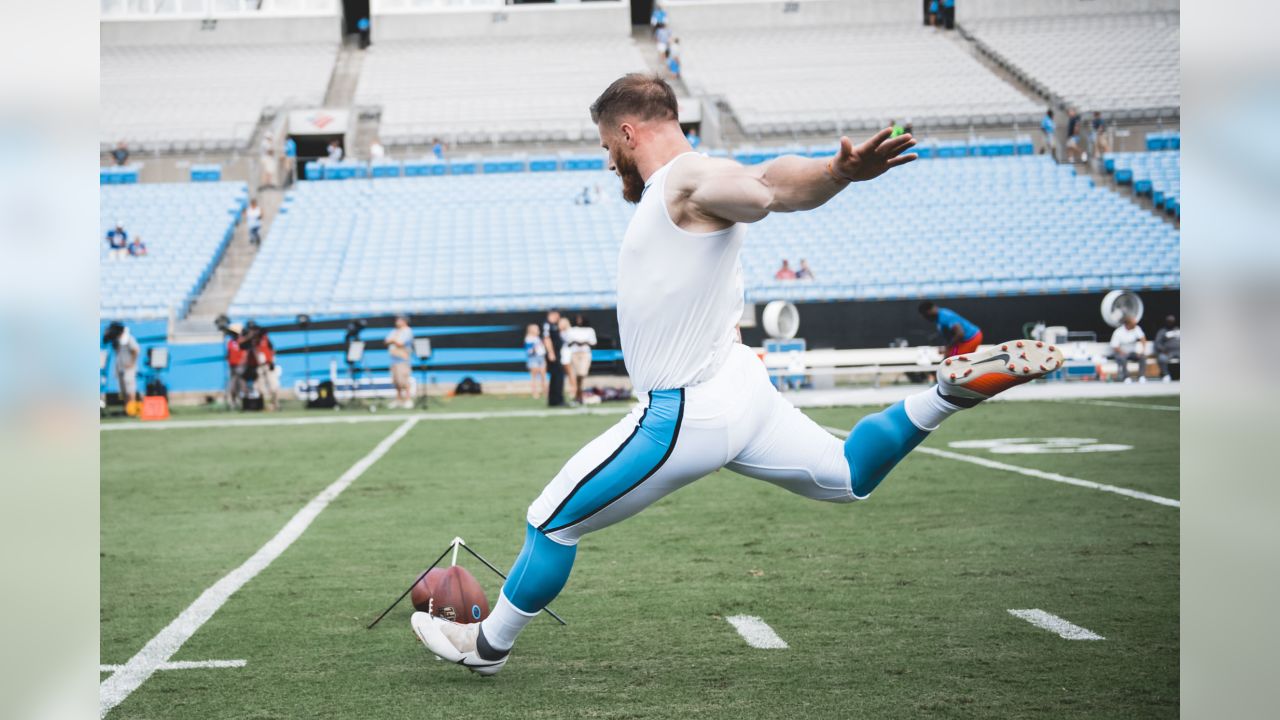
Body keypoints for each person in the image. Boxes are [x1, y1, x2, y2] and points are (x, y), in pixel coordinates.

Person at [410, 74, 1064, 675]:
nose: (608, 158)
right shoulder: (692, 178)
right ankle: (946, 395)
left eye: (607, 144)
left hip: (688, 409)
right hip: (741, 390)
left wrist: (832, 174)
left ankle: (487, 648)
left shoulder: (683, 177)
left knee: (551, 521)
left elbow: (764, 188)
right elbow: (759, 179)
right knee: (846, 477)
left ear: (628, 131)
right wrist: (818, 177)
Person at [918, 301, 983, 357]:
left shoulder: (945, 316)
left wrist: (947, 348)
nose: (925, 318)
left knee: (955, 361)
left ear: (929, 311)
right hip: (964, 340)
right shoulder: (939, 316)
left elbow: (960, 333)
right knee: (949, 357)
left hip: (972, 338)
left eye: (925, 315)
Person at [107, 322, 140, 407]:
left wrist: (132, 363)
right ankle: (127, 407)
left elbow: (135, 350)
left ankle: (132, 408)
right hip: (120, 367)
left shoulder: (129, 338)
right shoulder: (117, 340)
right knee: (123, 389)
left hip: (129, 368)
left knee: (130, 389)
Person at [386, 315, 415, 409]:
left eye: (399, 320)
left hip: (402, 359)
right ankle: (398, 399)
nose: (397, 322)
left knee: (404, 380)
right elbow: (386, 341)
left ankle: (407, 399)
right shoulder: (394, 331)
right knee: (396, 381)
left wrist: (393, 340)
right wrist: (393, 340)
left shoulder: (407, 331)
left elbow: (400, 343)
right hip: (394, 358)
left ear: (404, 321)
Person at [1110, 315, 1148, 383]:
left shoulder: (1136, 328)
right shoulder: (1118, 332)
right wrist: (1122, 352)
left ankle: (1141, 376)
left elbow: (1143, 338)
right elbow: (1115, 346)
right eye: (1133, 324)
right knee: (1122, 358)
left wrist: (1142, 350)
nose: (1135, 325)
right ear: (1128, 324)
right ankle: (1126, 377)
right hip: (1120, 353)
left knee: (1143, 357)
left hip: (1132, 353)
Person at [569, 315, 597, 404]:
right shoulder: (572, 330)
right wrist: (575, 342)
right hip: (575, 353)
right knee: (577, 374)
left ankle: (579, 392)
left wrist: (584, 342)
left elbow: (593, 342)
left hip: (585, 353)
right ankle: (579, 394)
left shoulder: (590, 330)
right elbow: (568, 342)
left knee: (582, 373)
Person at [253, 324, 280, 411]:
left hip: (268, 364)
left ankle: (275, 404)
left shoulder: (265, 339)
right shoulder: (253, 341)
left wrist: (272, 360)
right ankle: (265, 405)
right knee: (260, 387)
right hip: (259, 366)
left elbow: (272, 349)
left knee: (274, 385)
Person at [543, 310, 565, 407]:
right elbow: (546, 339)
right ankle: (556, 400)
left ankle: (555, 400)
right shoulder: (547, 325)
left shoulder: (554, 325)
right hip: (553, 355)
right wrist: (551, 353)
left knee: (557, 376)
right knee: (557, 376)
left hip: (557, 354)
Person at [225, 323, 247, 410]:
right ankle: (233, 403)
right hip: (232, 367)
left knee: (242, 385)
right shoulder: (230, 342)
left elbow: (245, 354)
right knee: (232, 386)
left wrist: (242, 364)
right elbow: (229, 354)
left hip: (240, 367)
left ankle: (244, 404)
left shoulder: (242, 341)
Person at [524, 323, 547, 399]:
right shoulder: (529, 339)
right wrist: (534, 347)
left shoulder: (538, 338)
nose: (538, 330)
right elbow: (529, 351)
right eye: (536, 329)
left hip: (541, 357)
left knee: (543, 376)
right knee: (534, 377)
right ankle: (535, 393)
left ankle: (545, 392)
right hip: (534, 358)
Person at [1154, 314, 1179, 382]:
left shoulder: (1178, 330)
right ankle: (1166, 375)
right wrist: (1163, 350)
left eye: (1172, 321)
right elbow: (1157, 343)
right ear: (1166, 322)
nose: (1171, 322)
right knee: (1162, 358)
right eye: (1169, 321)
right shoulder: (1162, 331)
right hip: (1168, 352)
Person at [557, 316, 577, 404]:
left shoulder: (569, 332)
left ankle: (574, 389)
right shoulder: (563, 332)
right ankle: (572, 389)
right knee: (569, 373)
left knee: (570, 372)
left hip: (568, 353)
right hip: (564, 352)